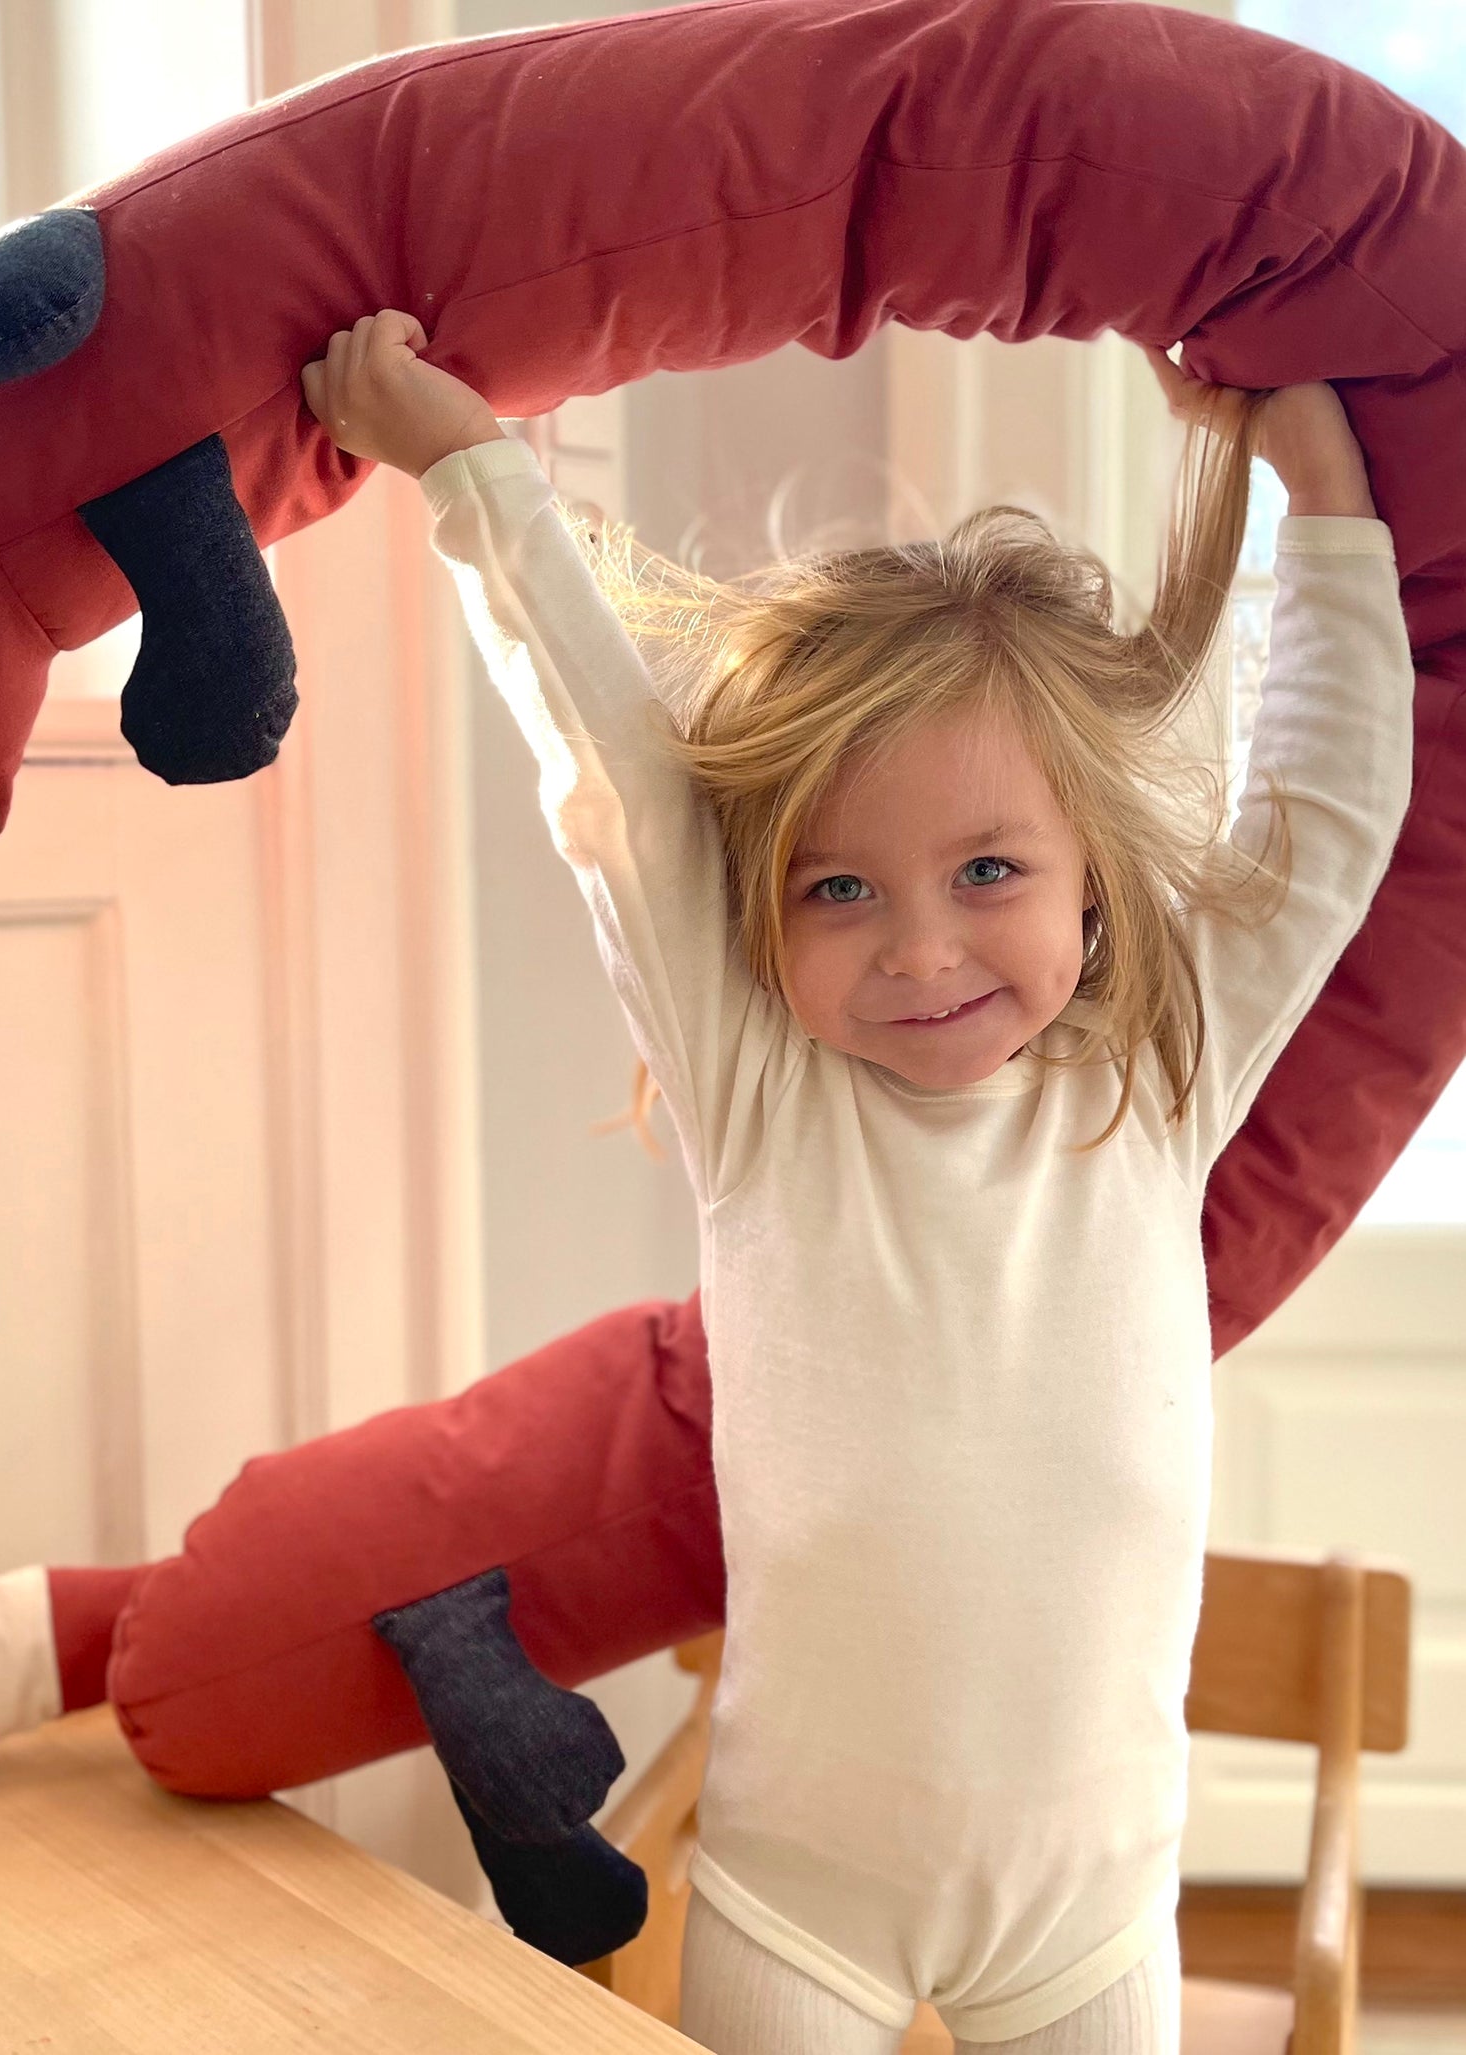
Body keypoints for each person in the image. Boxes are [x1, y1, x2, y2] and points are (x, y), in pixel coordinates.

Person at [301, 310, 1413, 2055]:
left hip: (1091, 1910)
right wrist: (465, 473)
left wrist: (1321, 496)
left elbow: (1327, 822)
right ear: (762, 912)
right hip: (795, 1899)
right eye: (838, 891)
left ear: (1091, 885)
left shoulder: (1149, 1085)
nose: (918, 951)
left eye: (985, 870)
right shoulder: (762, 1093)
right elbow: (617, 776)